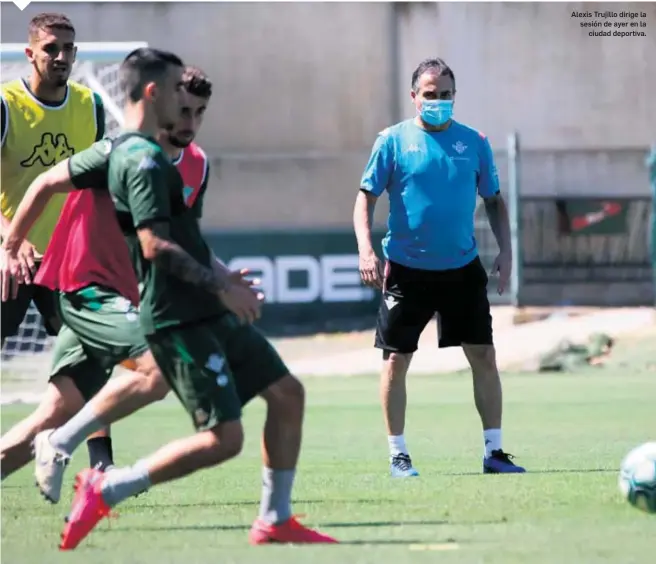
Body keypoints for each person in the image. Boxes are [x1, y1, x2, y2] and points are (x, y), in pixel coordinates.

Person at [54, 47, 337, 549]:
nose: (185, 112)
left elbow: (186, 239)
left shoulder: (170, 158)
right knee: (225, 440)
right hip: (177, 318)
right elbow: (154, 246)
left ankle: (274, 520)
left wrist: (221, 278)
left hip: (206, 309)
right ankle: (107, 487)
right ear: (155, 92)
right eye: (176, 97)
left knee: (288, 395)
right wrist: (221, 286)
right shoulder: (138, 159)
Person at [0, 66, 216, 487]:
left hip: (126, 296)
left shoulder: (196, 166)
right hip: (87, 290)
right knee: (160, 365)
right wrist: (10, 246)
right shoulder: (119, 151)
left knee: (52, 411)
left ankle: (75, 449)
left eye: (200, 113)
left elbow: (187, 242)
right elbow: (44, 182)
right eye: (182, 109)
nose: (189, 122)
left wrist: (219, 282)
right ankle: (63, 443)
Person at [353, 57, 526, 477]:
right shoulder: (392, 141)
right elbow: (365, 197)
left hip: (461, 269)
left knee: (483, 355)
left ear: (454, 96)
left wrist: (505, 251)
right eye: (430, 95)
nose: (438, 102)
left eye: (446, 95)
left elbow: (494, 201)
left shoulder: (474, 142)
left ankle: (494, 453)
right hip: (407, 270)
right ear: (414, 96)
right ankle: (399, 455)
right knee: (396, 361)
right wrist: (365, 249)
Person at [0, 12, 114, 475]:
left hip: (72, 259)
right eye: (51, 49)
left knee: (97, 357)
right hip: (13, 258)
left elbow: (102, 185)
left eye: (69, 48)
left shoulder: (91, 107)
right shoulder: (6, 106)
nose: (62, 57)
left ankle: (101, 468)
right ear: (30, 53)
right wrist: (11, 240)